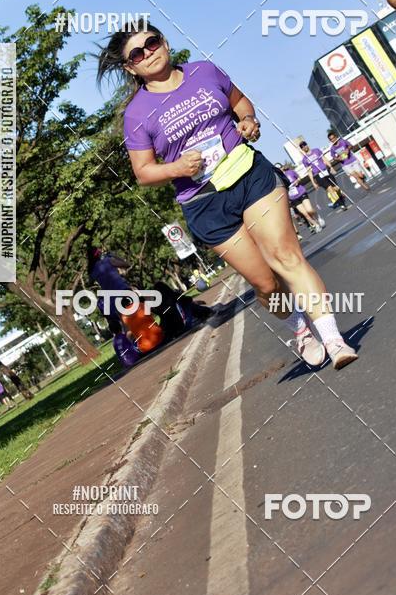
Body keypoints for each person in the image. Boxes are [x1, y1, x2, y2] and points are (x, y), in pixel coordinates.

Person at [97, 22, 358, 370]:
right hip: (204, 202)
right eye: (138, 53)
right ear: (131, 67)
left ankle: (334, 340)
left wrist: (248, 120)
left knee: (287, 257)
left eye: (152, 42)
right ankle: (301, 330)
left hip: (248, 173)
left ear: (165, 41)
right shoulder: (137, 114)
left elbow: (239, 102)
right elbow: (143, 172)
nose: (149, 52)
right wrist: (176, 169)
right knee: (265, 283)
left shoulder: (204, 71)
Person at [298, 140, 349, 212]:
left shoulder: (316, 150)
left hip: (325, 170)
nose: (304, 147)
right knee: (330, 189)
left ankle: (340, 197)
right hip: (318, 175)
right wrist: (313, 182)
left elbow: (324, 159)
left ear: (307, 145)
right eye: (302, 147)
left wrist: (331, 167)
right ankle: (342, 205)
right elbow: (309, 171)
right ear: (302, 149)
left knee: (336, 188)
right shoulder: (305, 159)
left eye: (304, 145)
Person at [278, 163, 324, 231]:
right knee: (305, 214)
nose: (279, 170)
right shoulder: (279, 179)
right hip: (293, 198)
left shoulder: (290, 172)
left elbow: (299, 177)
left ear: (282, 168)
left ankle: (318, 217)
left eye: (280, 168)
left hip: (301, 192)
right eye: (277, 169)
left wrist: (297, 181)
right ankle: (316, 225)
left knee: (309, 210)